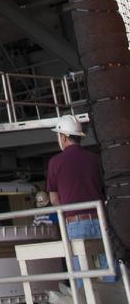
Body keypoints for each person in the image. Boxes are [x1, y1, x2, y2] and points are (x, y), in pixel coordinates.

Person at [47, 114, 113, 277]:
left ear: (63, 137)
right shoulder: (94, 158)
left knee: (82, 275)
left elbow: (54, 199)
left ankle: (86, 302)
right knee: (109, 268)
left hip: (75, 223)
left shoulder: (55, 162)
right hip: (100, 220)